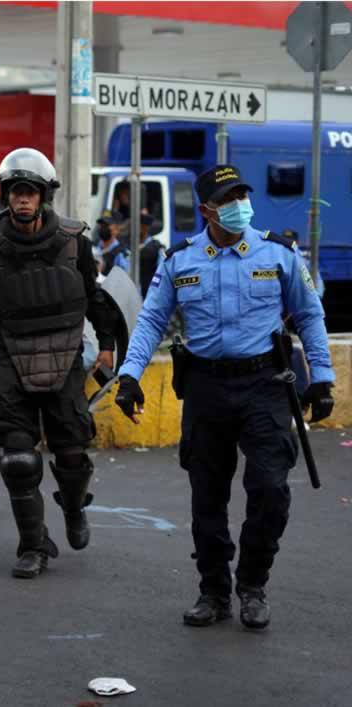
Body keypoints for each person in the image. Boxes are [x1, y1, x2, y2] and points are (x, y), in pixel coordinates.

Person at [114, 164, 335, 630]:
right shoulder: (180, 260)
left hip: (265, 385)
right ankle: (213, 590)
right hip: (206, 388)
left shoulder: (279, 253)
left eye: (241, 195)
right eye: (228, 198)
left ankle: (253, 584)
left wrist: (322, 377)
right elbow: (152, 321)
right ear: (207, 209)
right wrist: (130, 375)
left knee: (271, 490)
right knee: (208, 496)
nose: (239, 205)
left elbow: (309, 316)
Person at [0, 148, 117, 579]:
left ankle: (74, 507)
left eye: (30, 192)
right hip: (11, 357)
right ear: (6, 195)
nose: (22, 199)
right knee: (18, 459)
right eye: (16, 192)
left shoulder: (75, 240)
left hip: (66, 354)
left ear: (43, 197)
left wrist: (109, 344)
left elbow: (95, 297)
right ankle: (33, 544)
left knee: (72, 453)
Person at [112, 212, 165, 295]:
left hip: (146, 296)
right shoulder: (124, 247)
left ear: (146, 227)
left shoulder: (156, 249)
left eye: (139, 226)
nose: (134, 229)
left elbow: (161, 275)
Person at [94, 210, 125, 275]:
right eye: (101, 225)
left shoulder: (120, 254)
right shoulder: (93, 245)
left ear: (116, 229)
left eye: (106, 225)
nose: (102, 228)